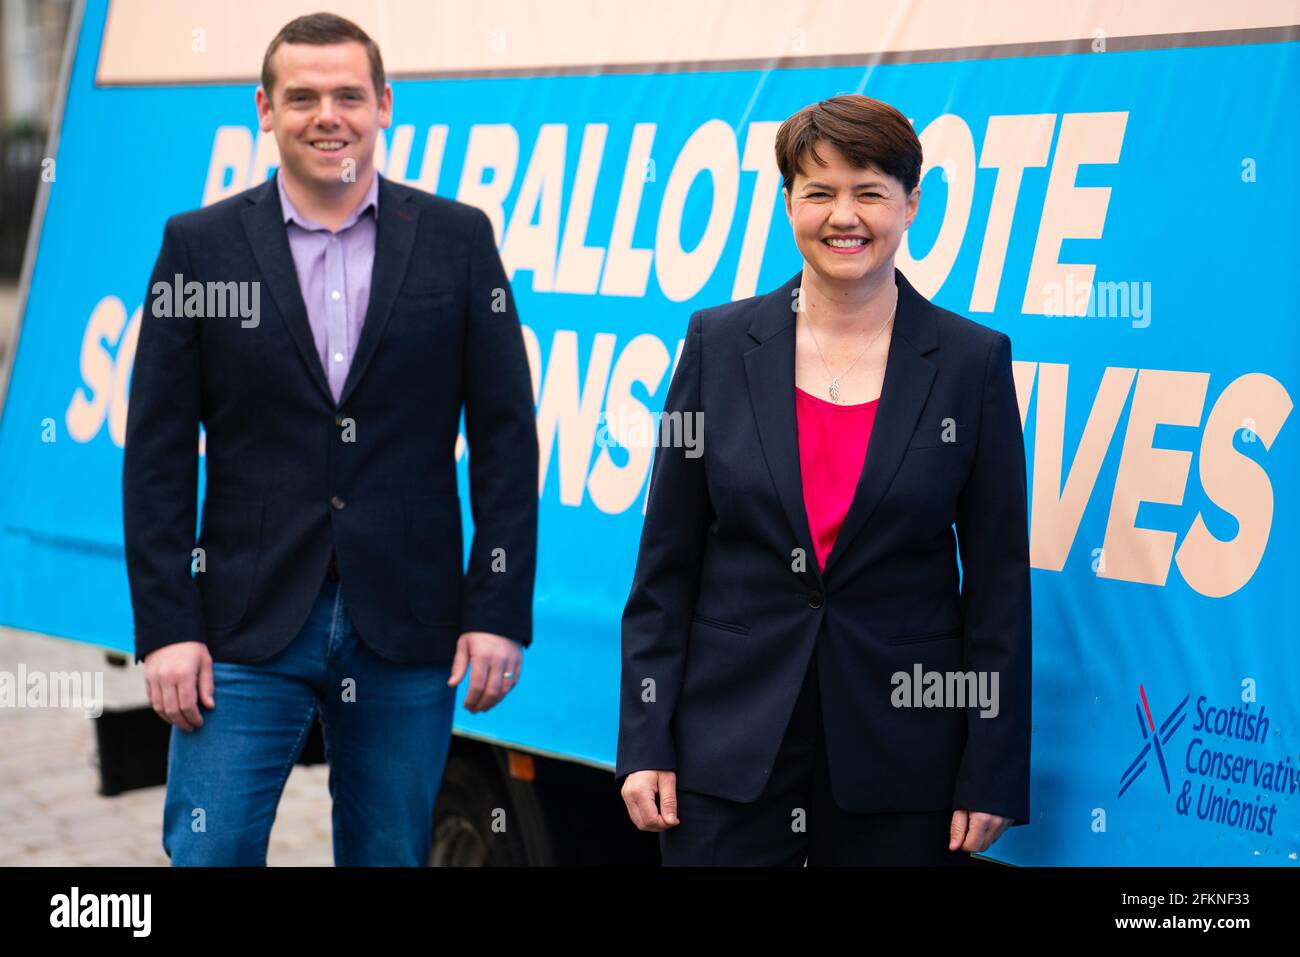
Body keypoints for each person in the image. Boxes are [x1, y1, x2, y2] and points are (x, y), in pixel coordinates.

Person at [122, 13, 538, 866]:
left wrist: (497, 610)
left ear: (384, 104)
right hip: (242, 623)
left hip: (408, 623)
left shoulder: (458, 241)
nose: (328, 114)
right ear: (265, 110)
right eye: (302, 96)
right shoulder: (197, 248)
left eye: (349, 94)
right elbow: (158, 454)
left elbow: (506, 439)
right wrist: (167, 625)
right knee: (212, 852)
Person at [616, 94, 1031, 865]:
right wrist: (645, 739)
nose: (846, 216)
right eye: (820, 191)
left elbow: (999, 587)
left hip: (900, 757)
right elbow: (665, 565)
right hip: (726, 748)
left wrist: (991, 769)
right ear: (787, 203)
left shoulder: (973, 364)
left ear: (911, 202)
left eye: (870, 191)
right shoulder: (714, 344)